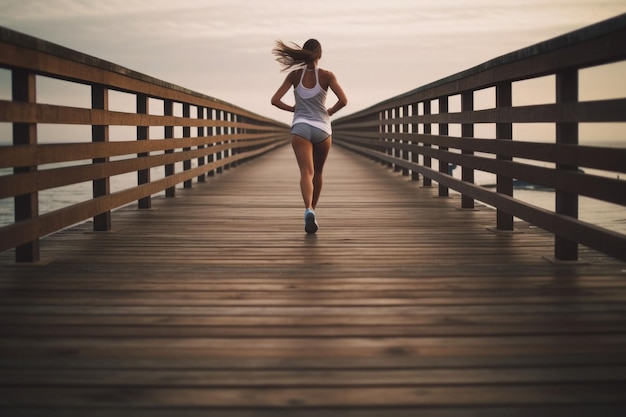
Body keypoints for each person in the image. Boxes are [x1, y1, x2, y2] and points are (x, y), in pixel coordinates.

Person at [271, 39, 348, 234]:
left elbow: (275, 100)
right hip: (323, 129)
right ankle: (313, 210)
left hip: (301, 128)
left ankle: (308, 210)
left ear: (304, 54)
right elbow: (344, 101)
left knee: (307, 173)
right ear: (320, 55)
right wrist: (329, 111)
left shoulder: (295, 76)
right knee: (319, 173)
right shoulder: (327, 76)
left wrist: (293, 109)